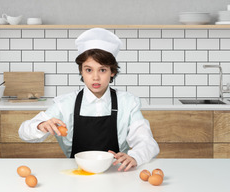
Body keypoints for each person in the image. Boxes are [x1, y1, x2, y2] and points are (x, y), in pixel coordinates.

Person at [19, 28, 159, 172]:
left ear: (113, 72)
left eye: (102, 70)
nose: (95, 77)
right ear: (81, 71)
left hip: (116, 172)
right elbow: (24, 132)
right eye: (89, 70)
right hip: (76, 173)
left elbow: (147, 142)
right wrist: (41, 125)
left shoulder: (128, 102)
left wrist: (135, 156)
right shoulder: (65, 104)